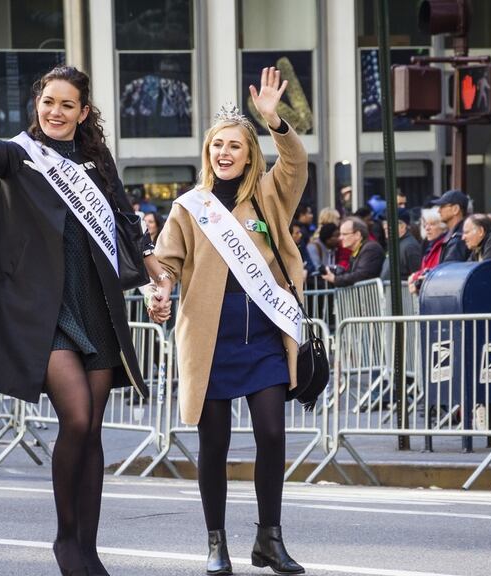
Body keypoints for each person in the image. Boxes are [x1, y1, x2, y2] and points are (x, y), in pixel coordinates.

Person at [0, 53, 170, 575]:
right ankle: (66, 540)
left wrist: (157, 271)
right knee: (78, 417)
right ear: (36, 103)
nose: (56, 112)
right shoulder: (19, 156)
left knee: (93, 433)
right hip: (46, 312)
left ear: (84, 111)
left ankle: (88, 547)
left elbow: (126, 220)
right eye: (48, 102)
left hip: (96, 304)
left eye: (68, 105)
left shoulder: (97, 161)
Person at [151, 68, 306, 576]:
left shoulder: (267, 194)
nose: (225, 153)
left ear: (249, 154)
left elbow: (297, 164)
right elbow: (168, 262)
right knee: (213, 444)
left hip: (263, 336)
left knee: (272, 434)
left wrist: (272, 120)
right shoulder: (189, 208)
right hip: (210, 341)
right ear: (208, 151)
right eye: (218, 145)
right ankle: (216, 542)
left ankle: (270, 539)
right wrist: (162, 289)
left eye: (235, 146)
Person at [322, 216, 384, 287]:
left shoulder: (371, 249)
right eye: (340, 234)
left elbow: (361, 275)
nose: (340, 238)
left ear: (357, 235)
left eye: (344, 234)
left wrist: (335, 279)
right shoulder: (359, 250)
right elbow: (353, 273)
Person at [380, 209, 423, 281]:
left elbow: (417, 276)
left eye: (389, 223)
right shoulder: (395, 244)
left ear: (402, 226)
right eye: (384, 223)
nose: (385, 226)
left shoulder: (410, 247)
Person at [431, 190, 470, 263]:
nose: (438, 211)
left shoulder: (459, 238)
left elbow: (448, 270)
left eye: (442, 206)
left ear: (455, 209)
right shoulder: (453, 234)